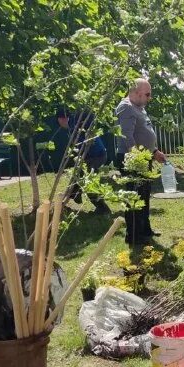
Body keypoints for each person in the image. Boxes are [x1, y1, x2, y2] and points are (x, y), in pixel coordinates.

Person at [115, 78, 167, 244]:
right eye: (147, 94)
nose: (149, 98)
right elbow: (127, 137)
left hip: (143, 157)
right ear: (137, 93)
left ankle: (145, 230)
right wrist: (137, 159)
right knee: (134, 197)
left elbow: (143, 133)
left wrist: (154, 152)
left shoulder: (139, 107)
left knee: (144, 194)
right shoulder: (126, 107)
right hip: (132, 160)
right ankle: (134, 236)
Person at [57, 109, 111, 215]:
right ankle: (73, 195)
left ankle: (103, 209)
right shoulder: (73, 125)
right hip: (92, 155)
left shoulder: (75, 126)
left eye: (59, 120)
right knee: (78, 177)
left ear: (62, 119)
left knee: (88, 182)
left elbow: (83, 142)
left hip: (97, 156)